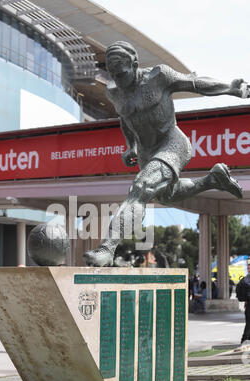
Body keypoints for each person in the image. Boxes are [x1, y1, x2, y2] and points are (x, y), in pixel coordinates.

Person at [84, 41, 249, 267]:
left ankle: (107, 249)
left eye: (122, 73)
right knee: (166, 196)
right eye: (113, 74)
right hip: (146, 151)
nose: (118, 79)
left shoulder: (159, 77)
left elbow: (195, 83)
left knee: (140, 190)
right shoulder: (113, 92)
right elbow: (125, 117)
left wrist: (229, 87)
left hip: (172, 143)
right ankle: (213, 179)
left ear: (134, 64)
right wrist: (130, 145)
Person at [241, 263, 250, 343]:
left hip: (248, 304)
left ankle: (246, 339)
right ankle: (244, 340)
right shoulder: (247, 278)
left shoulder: (246, 278)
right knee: (248, 323)